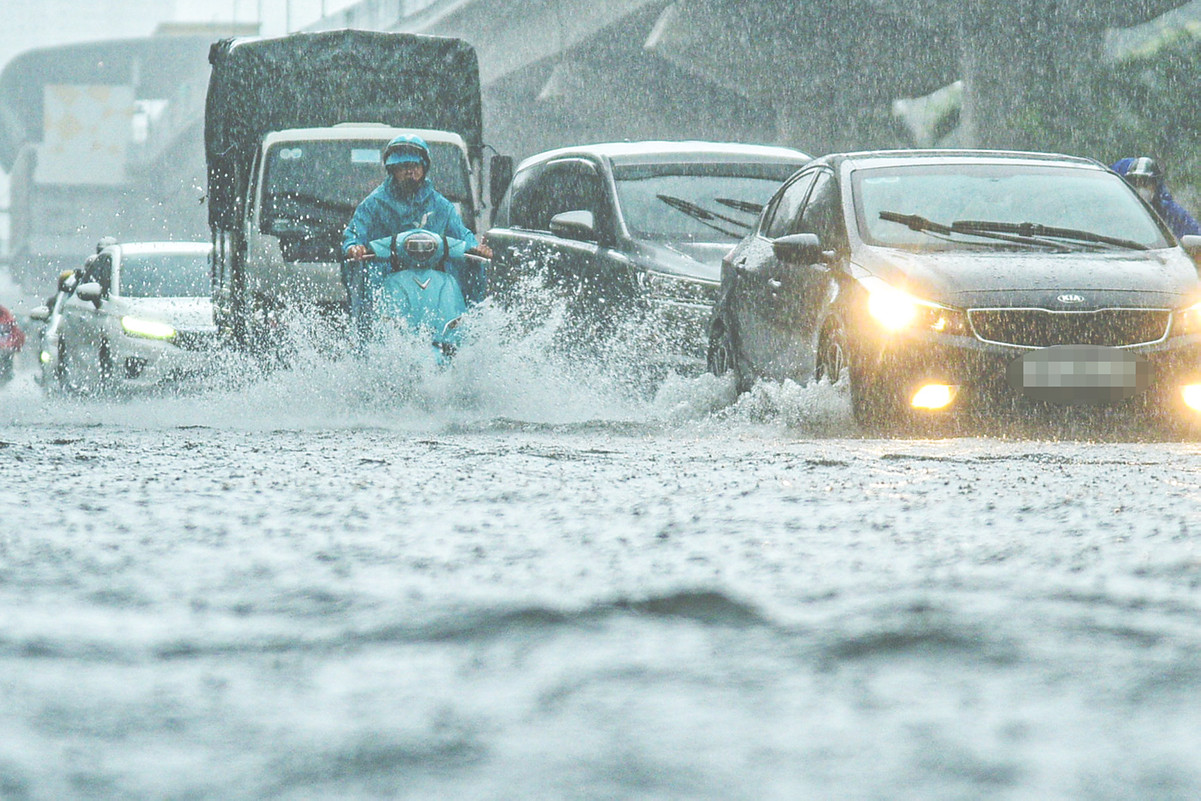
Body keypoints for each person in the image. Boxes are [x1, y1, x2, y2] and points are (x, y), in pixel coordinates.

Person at [341, 135, 491, 339]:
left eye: (415, 166)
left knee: (471, 270)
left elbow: (461, 233)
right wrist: (355, 247)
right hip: (386, 271)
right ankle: (367, 337)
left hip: (432, 271)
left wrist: (476, 248)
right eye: (403, 166)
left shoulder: (440, 204)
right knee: (368, 286)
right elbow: (355, 233)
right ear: (392, 170)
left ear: (424, 168)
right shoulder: (374, 203)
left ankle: (471, 328)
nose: (410, 172)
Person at [1111, 157, 1201, 238]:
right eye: (1135, 182)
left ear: (1156, 185)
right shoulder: (1113, 209)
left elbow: (1195, 235)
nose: (1141, 187)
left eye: (1146, 183)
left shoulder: (1170, 213)